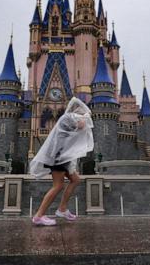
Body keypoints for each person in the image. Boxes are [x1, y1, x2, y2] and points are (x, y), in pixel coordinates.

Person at [30, 97, 94, 226]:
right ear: (77, 109)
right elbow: (81, 126)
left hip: (62, 156)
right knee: (58, 186)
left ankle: (62, 209)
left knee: (75, 180)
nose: (83, 112)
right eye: (82, 110)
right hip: (58, 156)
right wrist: (86, 116)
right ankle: (39, 216)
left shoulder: (69, 118)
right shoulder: (68, 117)